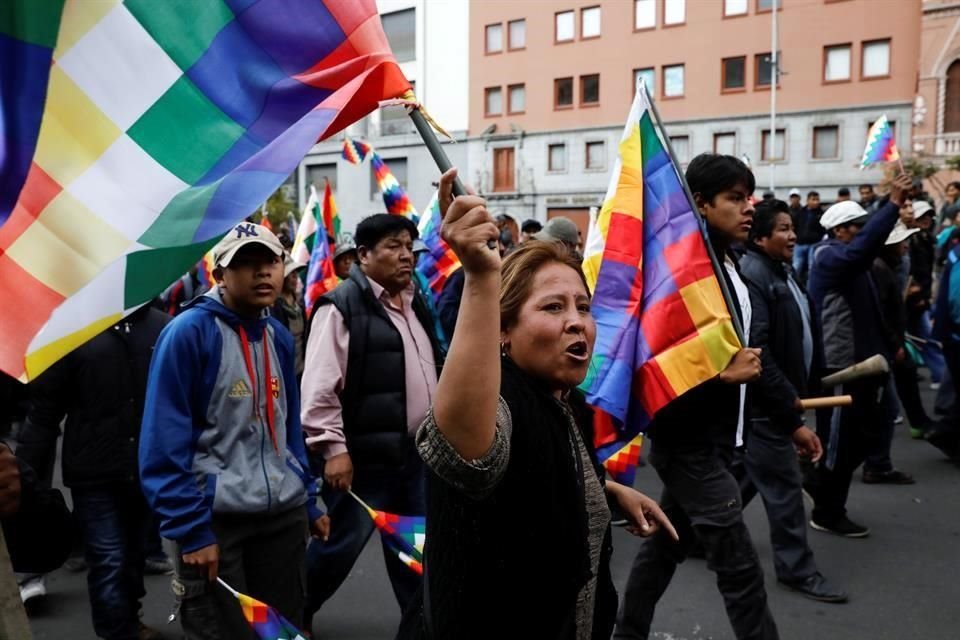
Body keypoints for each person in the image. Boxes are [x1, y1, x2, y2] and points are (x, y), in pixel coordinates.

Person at [396, 168, 676, 639]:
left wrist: (605, 493)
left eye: (582, 308)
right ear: (502, 332)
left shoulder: (565, 400)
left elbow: (536, 475)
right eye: (552, 307)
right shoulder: (501, 399)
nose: (576, 322)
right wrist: (483, 278)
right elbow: (469, 457)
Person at [616, 154, 779, 640]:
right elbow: (658, 363)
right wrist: (722, 380)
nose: (748, 209)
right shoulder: (684, 273)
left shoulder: (730, 266)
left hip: (717, 442)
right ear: (701, 205)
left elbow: (751, 359)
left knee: (665, 545)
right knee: (740, 569)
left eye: (748, 197)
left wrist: (787, 417)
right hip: (687, 443)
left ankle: (628, 632)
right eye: (734, 198)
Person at [140, 222, 328, 639]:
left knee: (282, 629)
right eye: (246, 264)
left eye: (271, 262)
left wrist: (308, 499)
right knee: (223, 631)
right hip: (215, 525)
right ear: (218, 274)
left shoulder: (277, 334)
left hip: (282, 519)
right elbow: (163, 443)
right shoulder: (188, 334)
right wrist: (191, 530)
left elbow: (287, 426)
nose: (262, 273)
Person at [300, 214, 442, 628]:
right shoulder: (341, 306)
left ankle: (418, 629)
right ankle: (298, 610)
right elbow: (320, 387)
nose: (405, 256)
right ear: (363, 255)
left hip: (415, 458)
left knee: (414, 554)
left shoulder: (415, 301)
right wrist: (334, 449)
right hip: (364, 461)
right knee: (338, 548)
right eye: (393, 246)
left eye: (408, 246)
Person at [16, 307, 169, 639]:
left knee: (134, 555)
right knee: (108, 558)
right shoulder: (74, 330)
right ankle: (116, 632)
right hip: (94, 472)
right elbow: (45, 411)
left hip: (146, 469)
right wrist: (24, 469)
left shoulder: (161, 326)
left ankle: (129, 617)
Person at [737, 200, 847, 603]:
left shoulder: (781, 270)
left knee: (747, 478)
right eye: (783, 228)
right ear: (761, 236)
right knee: (784, 488)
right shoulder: (754, 275)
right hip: (769, 408)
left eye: (792, 227)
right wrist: (790, 413)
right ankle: (796, 569)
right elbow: (759, 353)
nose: (793, 235)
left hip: (781, 401)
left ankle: (696, 534)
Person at [805, 173, 912, 538]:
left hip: (865, 367)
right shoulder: (830, 257)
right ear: (840, 231)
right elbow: (864, 248)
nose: (865, 233)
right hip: (841, 369)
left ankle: (817, 484)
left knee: (862, 438)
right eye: (858, 227)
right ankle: (827, 509)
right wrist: (892, 203)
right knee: (839, 446)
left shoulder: (856, 264)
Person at [869, 222, 929, 476]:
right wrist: (895, 344)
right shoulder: (879, 270)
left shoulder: (885, 267)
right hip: (885, 347)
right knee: (886, 407)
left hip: (890, 344)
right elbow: (882, 313)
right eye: (901, 242)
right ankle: (877, 463)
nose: (906, 246)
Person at [272, 256, 308, 378]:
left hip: (302, 372)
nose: (295, 277)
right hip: (283, 375)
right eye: (290, 273)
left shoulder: (299, 305)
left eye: (296, 272)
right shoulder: (273, 309)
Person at [792, 191, 823, 286]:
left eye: (817, 200)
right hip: (799, 244)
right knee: (796, 267)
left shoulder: (820, 214)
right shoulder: (801, 212)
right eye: (813, 200)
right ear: (808, 200)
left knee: (811, 269)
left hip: (813, 244)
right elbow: (795, 226)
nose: (815, 202)